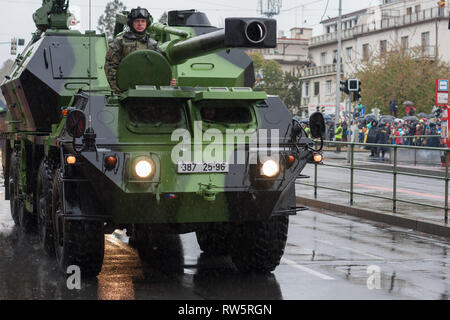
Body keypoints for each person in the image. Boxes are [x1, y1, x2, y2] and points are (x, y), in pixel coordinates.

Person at [105, 7, 162, 93]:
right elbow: (110, 67)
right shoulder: (120, 42)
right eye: (137, 21)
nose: (140, 24)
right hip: (125, 91)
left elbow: (160, 68)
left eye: (143, 21)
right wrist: (118, 90)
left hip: (149, 92)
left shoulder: (153, 45)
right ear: (131, 23)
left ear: (147, 23)